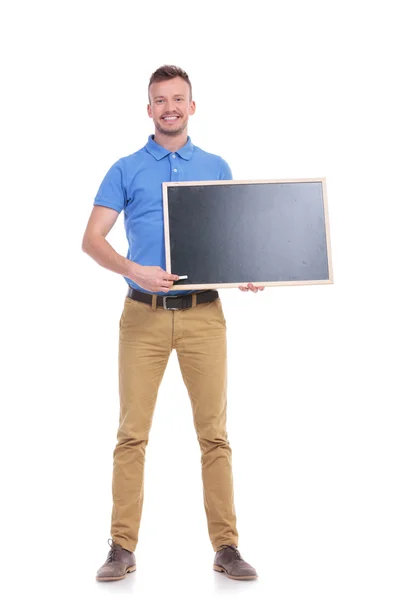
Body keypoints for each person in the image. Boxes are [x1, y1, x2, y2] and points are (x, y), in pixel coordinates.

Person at [82, 65, 264, 582]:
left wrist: (248, 268)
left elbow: (231, 236)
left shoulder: (215, 165)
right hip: (142, 316)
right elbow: (92, 240)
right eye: (160, 100)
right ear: (149, 109)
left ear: (192, 106)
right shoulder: (125, 168)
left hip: (204, 316)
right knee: (131, 435)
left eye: (178, 99)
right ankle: (121, 547)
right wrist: (130, 266)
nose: (169, 108)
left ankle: (226, 546)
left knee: (214, 435)